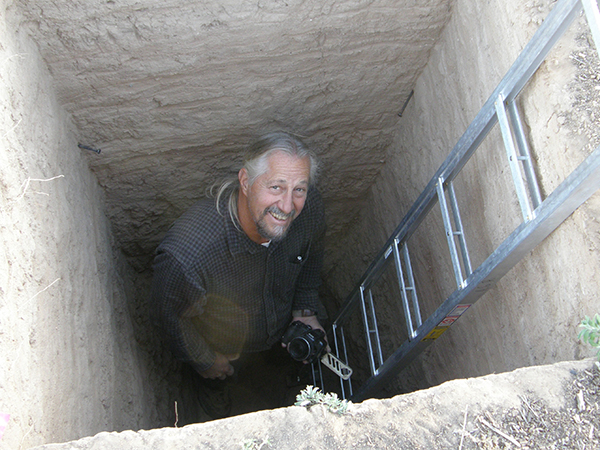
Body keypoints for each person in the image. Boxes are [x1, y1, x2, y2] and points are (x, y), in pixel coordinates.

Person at [151, 131, 326, 418]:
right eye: (276, 187)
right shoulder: (189, 256)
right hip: (224, 350)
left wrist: (304, 309)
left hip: (277, 334)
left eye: (299, 189)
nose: (287, 205)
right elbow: (168, 317)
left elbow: (312, 254)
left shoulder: (309, 210)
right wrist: (205, 361)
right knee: (218, 387)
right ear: (245, 181)